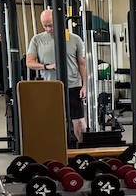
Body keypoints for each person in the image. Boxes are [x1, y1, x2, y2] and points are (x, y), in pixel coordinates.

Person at [25, 8, 89, 143]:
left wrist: (84, 86)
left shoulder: (75, 39)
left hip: (73, 86)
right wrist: (46, 66)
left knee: (78, 121)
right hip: (50, 87)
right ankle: (54, 148)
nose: (48, 29)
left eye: (51, 25)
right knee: (52, 121)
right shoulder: (37, 40)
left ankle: (84, 149)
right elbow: (29, 62)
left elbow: (82, 64)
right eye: (45, 26)